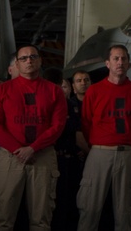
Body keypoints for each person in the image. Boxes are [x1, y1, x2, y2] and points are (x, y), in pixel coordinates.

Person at [0, 45, 67, 230]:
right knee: (3, 216)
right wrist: (18, 150)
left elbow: (57, 126)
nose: (29, 61)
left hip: (43, 157)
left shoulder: (54, 91)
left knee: (41, 219)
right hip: (9, 157)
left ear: (40, 61)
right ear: (17, 64)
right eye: (23, 58)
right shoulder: (2, 90)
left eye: (33, 57)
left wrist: (33, 148)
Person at [77, 45, 131, 231]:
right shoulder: (94, 91)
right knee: (89, 209)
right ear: (107, 63)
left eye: (124, 59)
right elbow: (86, 123)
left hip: (127, 154)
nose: (120, 62)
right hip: (99, 153)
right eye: (116, 58)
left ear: (128, 63)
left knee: (125, 212)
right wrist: (99, 143)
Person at [53, 71, 90, 230]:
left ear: (70, 89)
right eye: (59, 86)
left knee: (73, 200)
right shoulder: (51, 105)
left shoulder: (72, 107)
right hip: (54, 159)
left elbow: (77, 132)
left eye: (64, 86)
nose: (62, 89)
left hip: (73, 160)